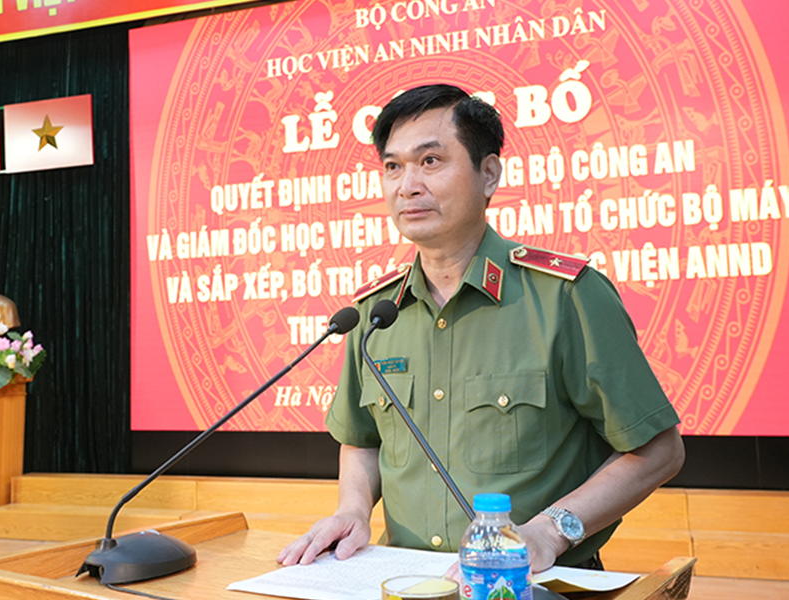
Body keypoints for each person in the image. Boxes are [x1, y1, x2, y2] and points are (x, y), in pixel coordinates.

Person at [277, 84, 684, 573]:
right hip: (406, 587)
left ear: (488, 174)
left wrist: (548, 532)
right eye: (393, 167)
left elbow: (659, 450)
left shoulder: (565, 297)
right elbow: (362, 439)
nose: (407, 186)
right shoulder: (375, 313)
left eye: (430, 161)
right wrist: (353, 510)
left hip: (533, 591)